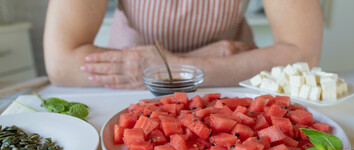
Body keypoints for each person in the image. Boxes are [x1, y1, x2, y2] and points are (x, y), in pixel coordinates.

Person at [43, 0, 323, 89]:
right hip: (129, 83)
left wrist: (171, 67)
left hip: (231, 89)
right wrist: (198, 62)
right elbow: (62, 63)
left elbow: (302, 53)